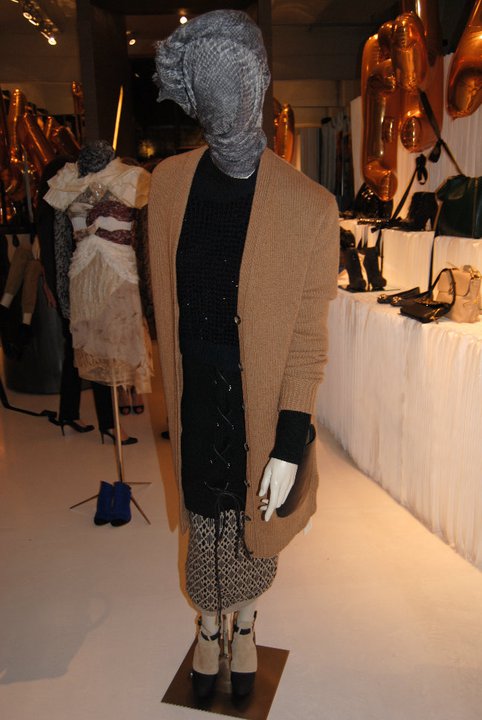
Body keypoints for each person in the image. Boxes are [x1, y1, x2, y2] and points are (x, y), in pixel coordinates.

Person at [148, 10, 339, 698]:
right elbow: (161, 297)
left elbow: (308, 340)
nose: (224, 106)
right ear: (194, 97)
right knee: (205, 520)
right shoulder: (169, 185)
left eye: (237, 87)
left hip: (257, 395)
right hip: (197, 390)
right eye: (210, 91)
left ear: (259, 88)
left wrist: (289, 441)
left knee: (253, 528)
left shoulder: (309, 207)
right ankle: (209, 627)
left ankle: (248, 621)